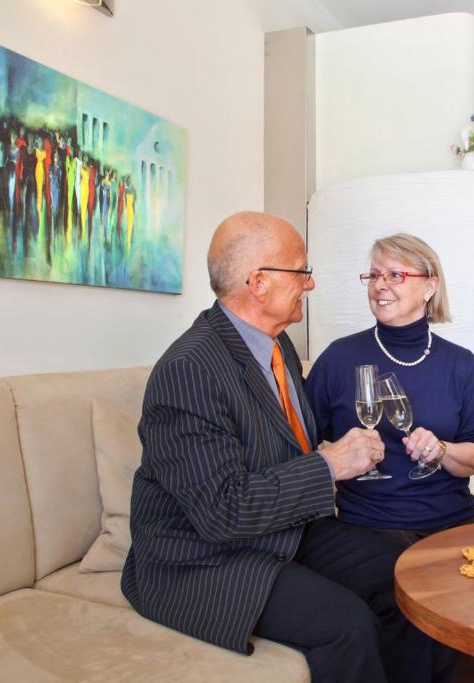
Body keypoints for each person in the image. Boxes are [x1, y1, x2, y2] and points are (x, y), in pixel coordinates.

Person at [122, 211, 422, 683]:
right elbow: (223, 512)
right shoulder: (189, 369)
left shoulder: (276, 347)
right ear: (259, 283)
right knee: (347, 624)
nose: (310, 283)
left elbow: (285, 446)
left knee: (404, 576)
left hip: (280, 529)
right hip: (202, 560)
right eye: (301, 271)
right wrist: (328, 465)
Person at [304, 233, 474, 679]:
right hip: (371, 524)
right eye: (373, 275)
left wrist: (443, 450)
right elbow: (299, 442)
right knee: (417, 595)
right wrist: (339, 455)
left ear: (429, 286)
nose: (379, 285)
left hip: (451, 522)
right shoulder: (339, 358)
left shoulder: (460, 364)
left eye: (395, 275)